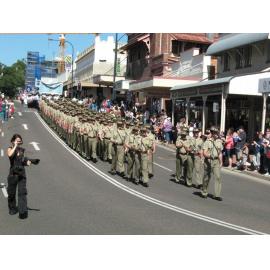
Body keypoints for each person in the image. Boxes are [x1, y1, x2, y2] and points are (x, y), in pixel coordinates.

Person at [6, 134, 40, 219]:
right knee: (11, 193)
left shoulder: (22, 150)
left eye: (20, 141)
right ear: (13, 141)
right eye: (17, 140)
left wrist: (28, 163)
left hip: (22, 174)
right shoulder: (10, 148)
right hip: (13, 174)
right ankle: (12, 208)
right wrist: (15, 146)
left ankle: (22, 212)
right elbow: (10, 155)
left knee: (22, 193)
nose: (19, 142)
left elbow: (22, 161)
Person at [200, 127, 223, 201]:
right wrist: (209, 156)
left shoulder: (219, 142)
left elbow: (220, 153)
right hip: (208, 161)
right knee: (207, 177)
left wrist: (221, 161)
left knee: (218, 177)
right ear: (212, 134)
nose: (217, 134)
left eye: (217, 133)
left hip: (216, 161)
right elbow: (204, 153)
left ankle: (217, 195)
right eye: (216, 133)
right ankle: (204, 192)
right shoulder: (207, 142)